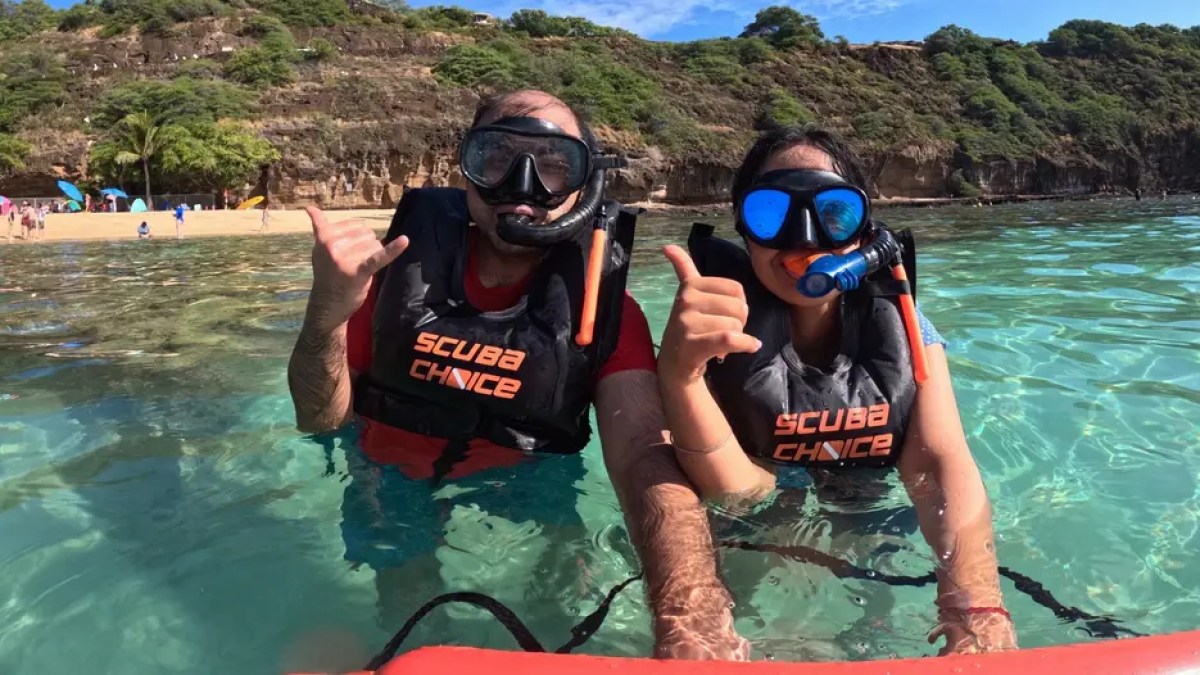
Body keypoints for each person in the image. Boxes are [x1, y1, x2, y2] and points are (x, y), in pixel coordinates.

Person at [288, 90, 747, 660]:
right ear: (465, 171)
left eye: (554, 163)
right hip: (390, 473)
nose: (522, 185)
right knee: (411, 622)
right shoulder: (383, 278)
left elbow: (643, 459)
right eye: (497, 157)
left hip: (529, 478)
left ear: (585, 186)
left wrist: (695, 620)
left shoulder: (603, 315)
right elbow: (320, 419)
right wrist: (325, 315)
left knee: (561, 608)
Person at [656, 126, 1017, 656]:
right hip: (758, 513)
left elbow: (937, 467)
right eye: (771, 213)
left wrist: (977, 608)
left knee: (877, 622)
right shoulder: (711, 332)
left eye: (833, 213)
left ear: (865, 230)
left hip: (870, 500)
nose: (804, 238)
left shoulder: (906, 326)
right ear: (743, 229)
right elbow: (739, 493)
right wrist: (680, 375)